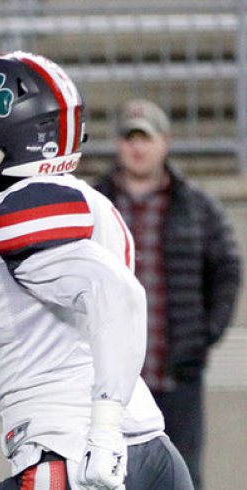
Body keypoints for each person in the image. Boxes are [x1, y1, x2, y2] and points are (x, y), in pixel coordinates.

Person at [0, 51, 193, 489]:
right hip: (145, 445)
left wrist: (104, 430)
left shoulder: (21, 202)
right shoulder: (85, 198)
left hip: (75, 448)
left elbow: (118, 296)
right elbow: (48, 328)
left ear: (6, 127)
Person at [92, 99, 241, 489]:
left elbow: (227, 267)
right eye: (129, 138)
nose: (137, 148)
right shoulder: (95, 204)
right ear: (118, 145)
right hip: (111, 379)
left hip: (175, 374)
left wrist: (205, 334)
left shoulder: (196, 205)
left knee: (182, 475)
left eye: (146, 138)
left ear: (165, 142)